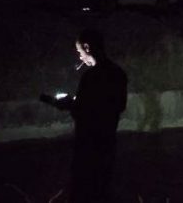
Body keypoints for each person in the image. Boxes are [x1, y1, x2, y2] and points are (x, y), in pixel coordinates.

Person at [41, 28, 127, 203]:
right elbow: (118, 106)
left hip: (88, 146)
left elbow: (83, 111)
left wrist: (67, 104)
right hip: (108, 142)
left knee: (84, 190)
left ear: (87, 48)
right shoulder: (118, 73)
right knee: (103, 188)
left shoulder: (91, 77)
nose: (79, 57)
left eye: (79, 52)